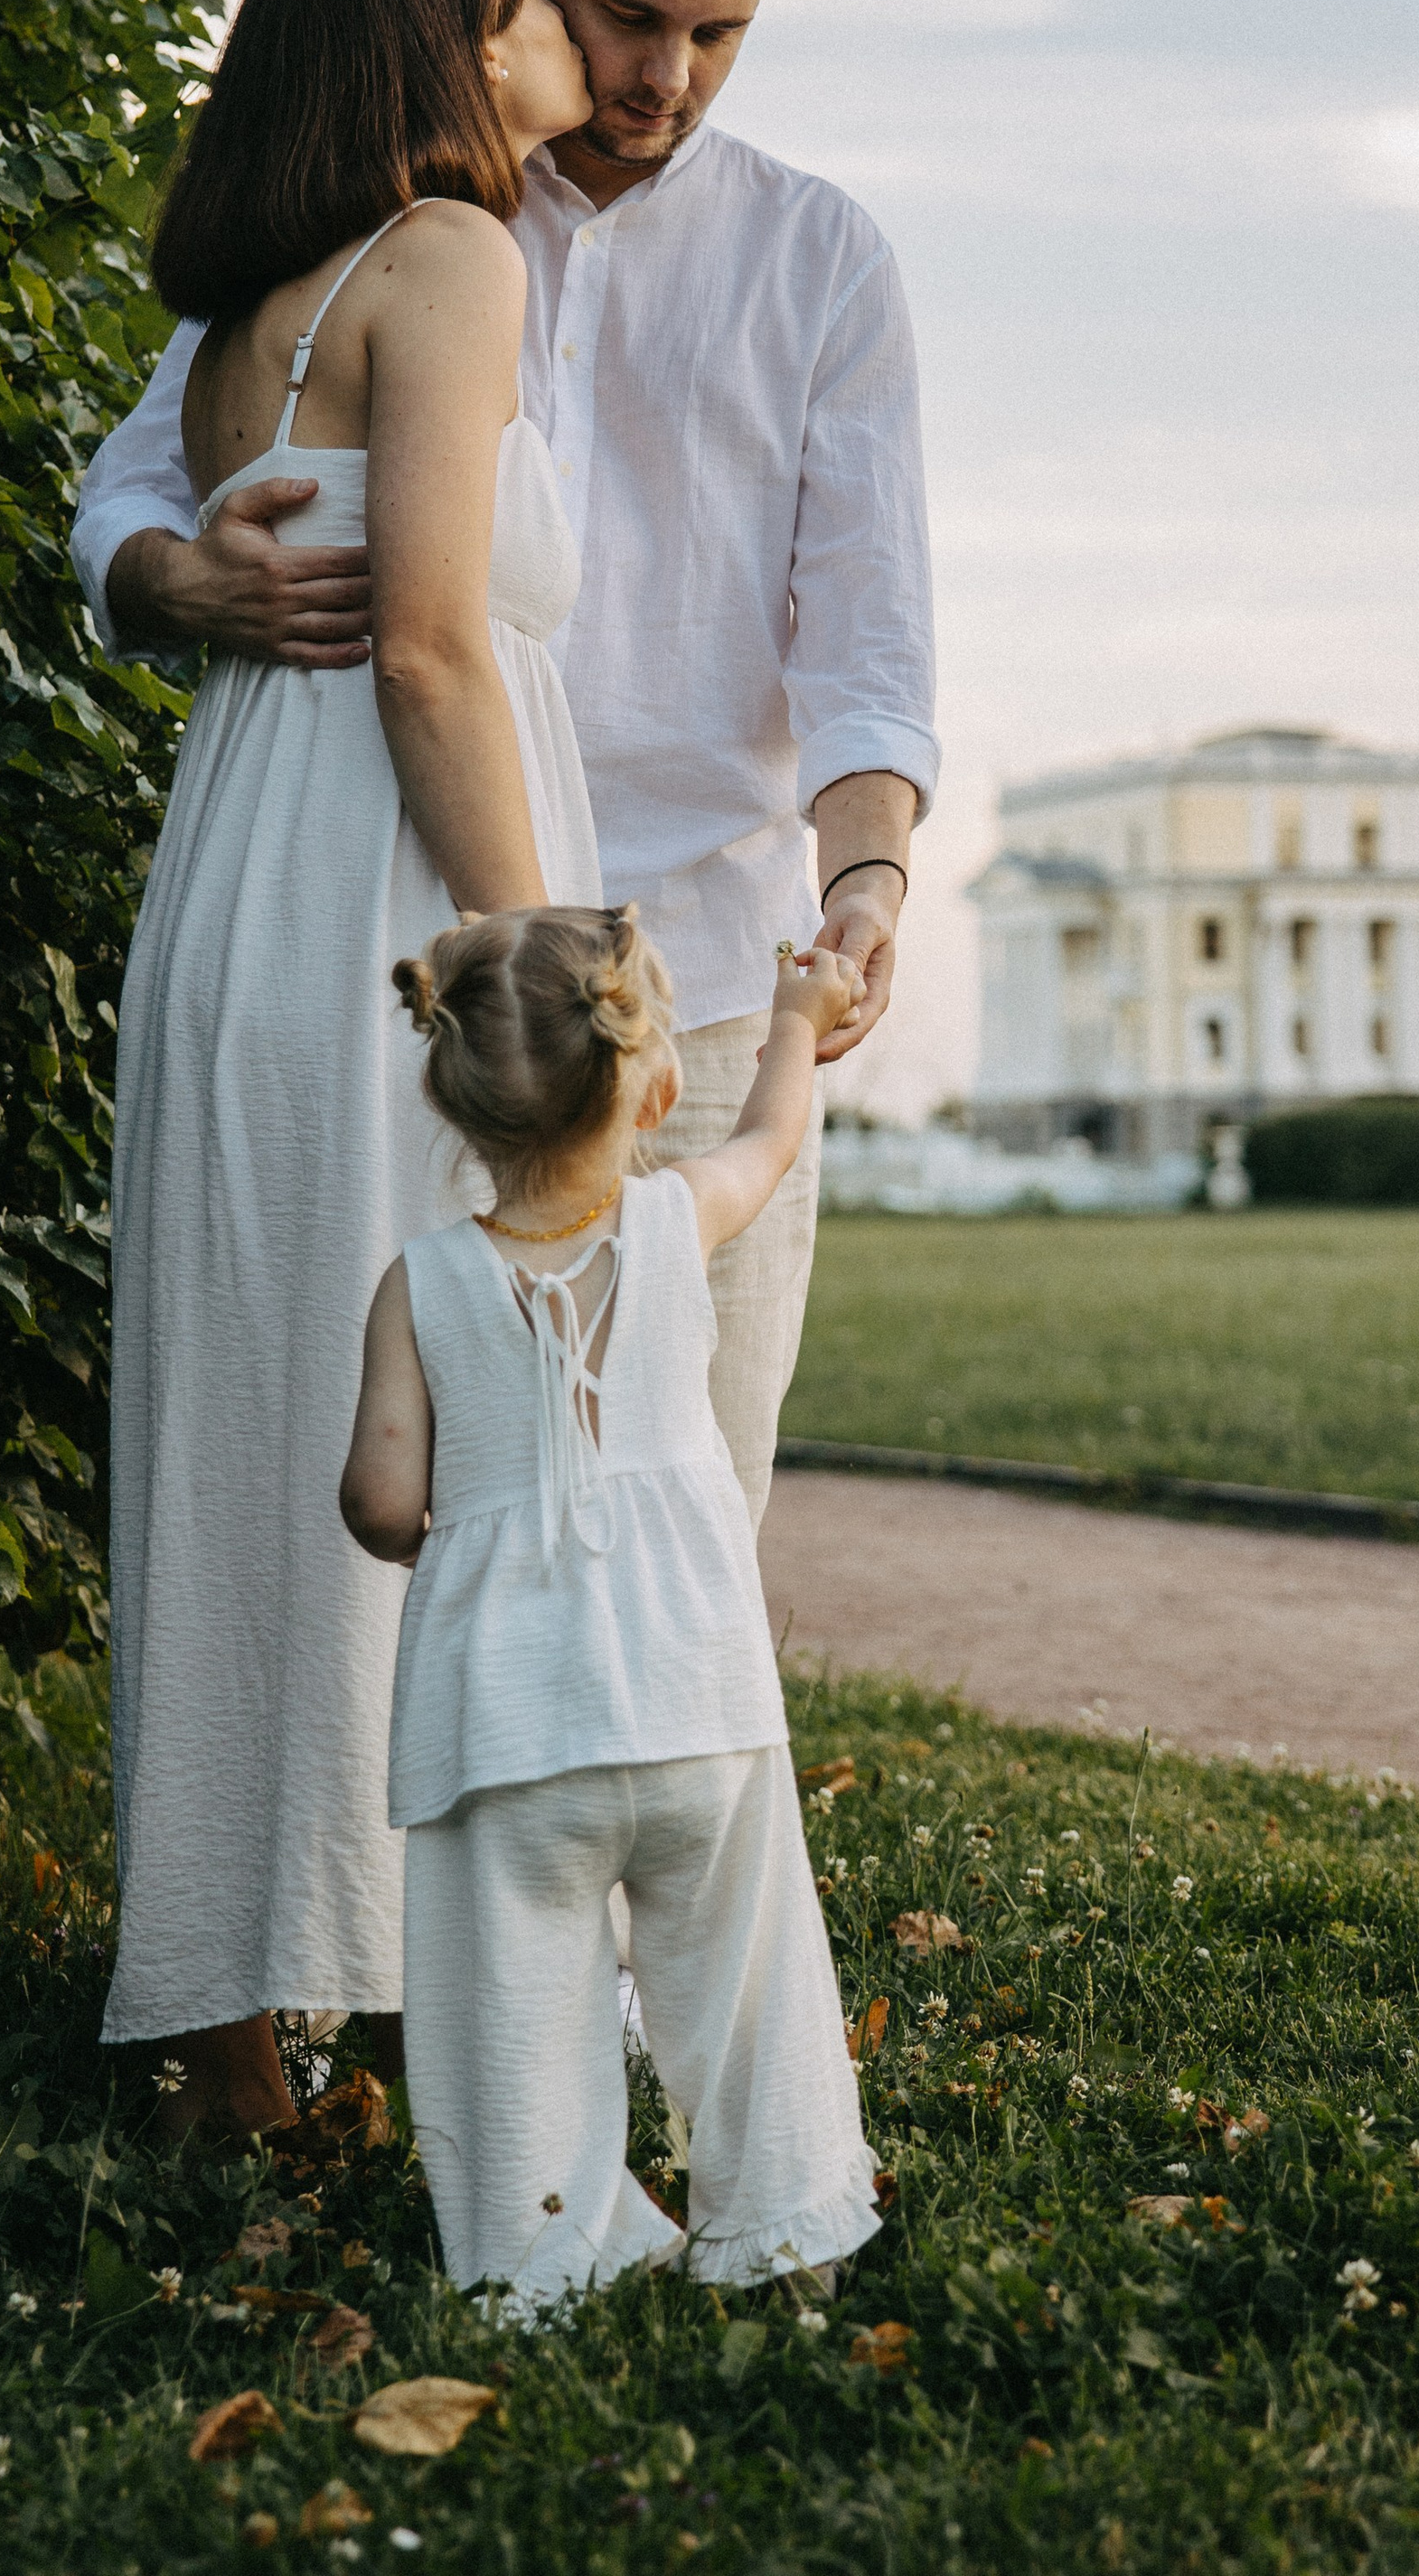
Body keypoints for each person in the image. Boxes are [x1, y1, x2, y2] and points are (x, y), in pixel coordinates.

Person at [71, 0, 940, 1530]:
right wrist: (174, 582)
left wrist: (866, 882)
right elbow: (138, 483)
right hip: (421, 959)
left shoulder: (821, 260)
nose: (666, 76)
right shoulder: (388, 202)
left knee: (681, 1519)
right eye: (629, 16)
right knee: (400, 1506)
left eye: (719, 34)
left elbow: (866, 634)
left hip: (691, 984)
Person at [102, 0, 602, 2141]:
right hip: (389, 906)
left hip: (238, 885)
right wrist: (545, 976)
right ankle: (431, 2003)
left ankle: (230, 2032)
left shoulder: (248, 314)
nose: (551, 18)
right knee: (443, 1424)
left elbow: (207, 546)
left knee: (245, 1424)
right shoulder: (453, 256)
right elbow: (429, 646)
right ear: (446, 46)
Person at [340, 905, 882, 2311]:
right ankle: (784, 2234)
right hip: (695, 1696)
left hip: (510, 1728)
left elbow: (382, 1501)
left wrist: (464, 1529)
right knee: (745, 1983)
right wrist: (794, 1020)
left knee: (513, 2016)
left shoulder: (422, 1284)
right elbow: (770, 1140)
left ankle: (542, 2265)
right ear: (648, 1083)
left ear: (453, 1096)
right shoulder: (676, 1219)